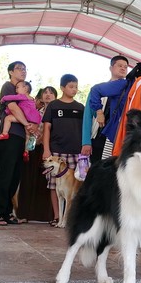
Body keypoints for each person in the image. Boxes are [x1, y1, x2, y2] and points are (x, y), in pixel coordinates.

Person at [0, 61, 38, 226]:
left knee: (15, 176)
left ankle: (7, 212)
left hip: (20, 138)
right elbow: (14, 108)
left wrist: (31, 126)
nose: (23, 71)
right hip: (9, 136)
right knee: (5, 175)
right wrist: (26, 124)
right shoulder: (9, 87)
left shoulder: (25, 94)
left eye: (25, 69)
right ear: (10, 72)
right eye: (19, 68)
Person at [42, 74, 84, 227]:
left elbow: (85, 129)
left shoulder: (80, 107)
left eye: (76, 87)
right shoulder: (53, 105)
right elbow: (47, 128)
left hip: (75, 151)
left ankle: (72, 218)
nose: (74, 89)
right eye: (71, 86)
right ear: (62, 87)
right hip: (56, 151)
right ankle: (57, 216)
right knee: (54, 185)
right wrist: (46, 150)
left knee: (76, 186)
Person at [17, 85, 58, 222]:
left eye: (51, 93)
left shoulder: (56, 112)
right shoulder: (35, 111)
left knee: (47, 183)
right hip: (33, 148)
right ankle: (25, 214)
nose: (48, 95)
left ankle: (48, 216)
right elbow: (28, 128)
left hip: (50, 150)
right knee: (28, 180)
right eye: (45, 92)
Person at [82, 55, 129, 163]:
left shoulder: (128, 91)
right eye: (120, 66)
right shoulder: (98, 90)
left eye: (125, 67)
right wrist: (86, 142)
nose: (123, 68)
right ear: (111, 68)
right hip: (98, 136)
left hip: (115, 138)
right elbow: (87, 116)